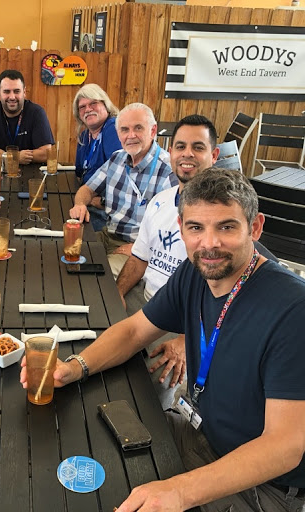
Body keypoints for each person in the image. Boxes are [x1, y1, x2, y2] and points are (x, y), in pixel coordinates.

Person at [23, 167, 305, 512]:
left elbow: (285, 446)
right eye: (196, 228)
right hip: (198, 435)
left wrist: (180, 491)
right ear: (181, 227)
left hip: (261, 487)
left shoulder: (293, 310)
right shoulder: (196, 271)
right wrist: (75, 367)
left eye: (226, 227)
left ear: (255, 227)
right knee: (81, 443)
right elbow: (134, 331)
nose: (209, 243)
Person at [115, 114, 219, 410]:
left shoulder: (222, 215)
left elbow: (227, 294)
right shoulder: (160, 201)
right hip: (147, 300)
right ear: (170, 152)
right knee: (98, 335)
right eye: (180, 146)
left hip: (186, 319)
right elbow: (139, 258)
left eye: (198, 147)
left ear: (214, 155)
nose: (187, 154)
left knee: (150, 387)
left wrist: (187, 339)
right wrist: (117, 293)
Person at [69, 103, 177, 277]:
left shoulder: (168, 171)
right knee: (68, 252)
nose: (131, 135)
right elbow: (87, 189)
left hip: (137, 249)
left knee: (101, 279)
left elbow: (175, 231)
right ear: (118, 134)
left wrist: (141, 248)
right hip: (108, 234)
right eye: (124, 130)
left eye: (138, 128)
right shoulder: (117, 158)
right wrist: (80, 204)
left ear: (153, 130)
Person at [0, 69, 54, 164]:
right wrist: (9, 157)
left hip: (31, 171)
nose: (12, 97)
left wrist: (7, 156)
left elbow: (46, 153)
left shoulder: (36, 112)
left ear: (24, 92)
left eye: (16, 91)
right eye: (6, 92)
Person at [73, 84, 122, 231]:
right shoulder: (84, 136)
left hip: (107, 212)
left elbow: (120, 178)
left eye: (93, 103)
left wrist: (99, 201)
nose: (88, 109)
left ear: (106, 105)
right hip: (87, 199)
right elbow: (79, 173)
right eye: (82, 107)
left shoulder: (113, 128)